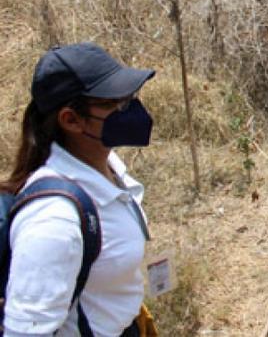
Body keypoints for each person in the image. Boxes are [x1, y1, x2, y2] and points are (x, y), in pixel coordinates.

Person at [1, 42, 157, 336]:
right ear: (71, 120)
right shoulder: (53, 220)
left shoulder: (107, 164)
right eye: (115, 104)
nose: (131, 109)